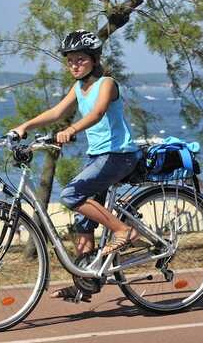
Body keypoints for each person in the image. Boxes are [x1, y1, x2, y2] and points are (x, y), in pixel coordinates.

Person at [11, 29, 141, 301]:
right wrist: (25, 126)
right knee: (83, 220)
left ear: (94, 59)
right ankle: (86, 283)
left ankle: (123, 230)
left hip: (119, 155)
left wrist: (72, 130)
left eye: (80, 59)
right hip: (99, 156)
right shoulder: (78, 88)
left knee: (70, 194)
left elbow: (97, 113)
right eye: (70, 60)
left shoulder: (106, 83)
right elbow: (57, 112)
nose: (74, 64)